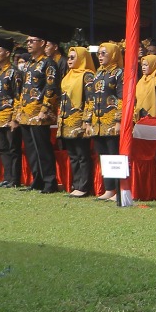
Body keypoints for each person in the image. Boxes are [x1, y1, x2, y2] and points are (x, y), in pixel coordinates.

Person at [15, 36, 61, 192]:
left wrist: (45, 109)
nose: (28, 44)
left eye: (32, 41)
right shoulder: (29, 64)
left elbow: (51, 88)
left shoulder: (48, 63)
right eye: (27, 41)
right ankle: (37, 180)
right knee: (31, 149)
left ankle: (50, 181)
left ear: (42, 43)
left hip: (39, 113)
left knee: (42, 148)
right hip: (26, 113)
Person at [89, 42, 126, 202]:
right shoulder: (97, 73)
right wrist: (88, 120)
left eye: (104, 53)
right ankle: (109, 189)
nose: (100, 56)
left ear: (113, 54)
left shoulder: (119, 73)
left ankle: (119, 189)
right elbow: (91, 98)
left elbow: (122, 98)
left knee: (114, 156)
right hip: (97, 123)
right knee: (103, 156)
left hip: (111, 122)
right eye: (99, 53)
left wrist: (119, 120)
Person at [58, 45, 97, 198]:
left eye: (73, 57)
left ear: (82, 58)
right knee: (73, 155)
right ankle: (76, 184)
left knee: (82, 154)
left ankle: (83, 186)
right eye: (69, 57)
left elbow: (90, 100)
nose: (69, 60)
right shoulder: (69, 75)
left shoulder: (87, 75)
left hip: (79, 120)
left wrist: (86, 120)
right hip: (67, 120)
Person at [0, 40, 20, 187]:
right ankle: (6, 178)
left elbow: (18, 96)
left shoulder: (14, 72)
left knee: (13, 149)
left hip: (9, 116)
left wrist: (15, 118)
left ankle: (14, 179)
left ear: (7, 53)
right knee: (1, 148)